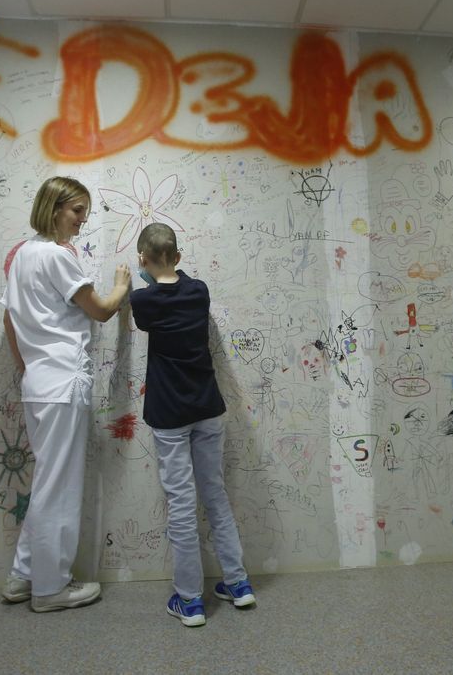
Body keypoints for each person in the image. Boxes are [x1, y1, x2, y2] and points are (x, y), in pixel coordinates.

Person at [0, 176, 131, 612]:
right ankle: (51, 589)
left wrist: (28, 366)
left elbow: (9, 322)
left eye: (85, 213)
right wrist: (121, 285)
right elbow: (100, 309)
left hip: (39, 384)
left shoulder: (21, 256)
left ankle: (23, 576)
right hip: (63, 382)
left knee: (47, 483)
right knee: (60, 487)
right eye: (77, 211)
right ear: (54, 207)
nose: (82, 220)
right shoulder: (56, 256)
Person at [130, 222, 255, 627]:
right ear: (179, 257)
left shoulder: (143, 301)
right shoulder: (199, 290)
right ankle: (238, 584)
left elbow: (146, 306)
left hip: (169, 415)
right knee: (215, 494)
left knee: (182, 504)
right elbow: (177, 286)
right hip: (208, 408)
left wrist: (129, 279)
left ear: (142, 260)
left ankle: (190, 601)